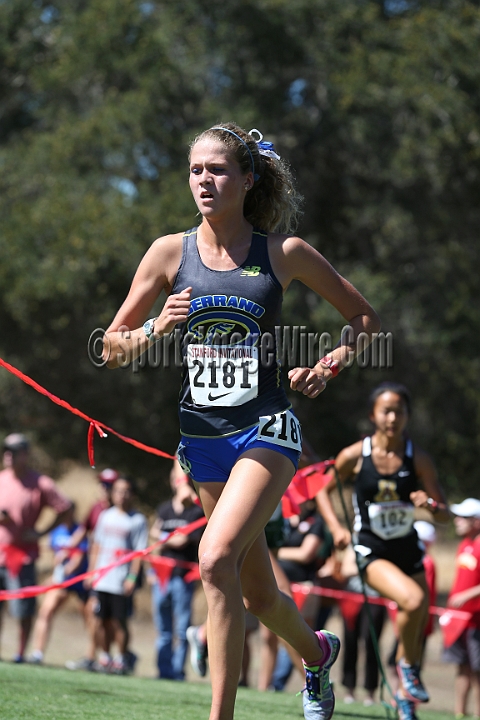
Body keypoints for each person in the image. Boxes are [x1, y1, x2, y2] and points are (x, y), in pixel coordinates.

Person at [102, 122, 380, 720]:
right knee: (255, 595)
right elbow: (112, 346)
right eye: (197, 170)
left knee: (212, 557)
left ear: (247, 179)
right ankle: (317, 654)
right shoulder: (167, 253)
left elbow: (362, 319)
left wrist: (328, 366)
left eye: (219, 169)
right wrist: (155, 329)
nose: (206, 180)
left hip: (267, 429)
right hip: (202, 441)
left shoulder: (283, 253)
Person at [316, 382, 449, 720]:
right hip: (370, 549)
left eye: (400, 411)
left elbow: (443, 513)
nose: (393, 417)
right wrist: (335, 528)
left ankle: (404, 700)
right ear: (373, 415)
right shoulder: (354, 455)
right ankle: (407, 666)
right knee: (414, 601)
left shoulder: (416, 457)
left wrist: (429, 504)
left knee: (414, 620)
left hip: (408, 550)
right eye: (386, 410)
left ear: (407, 415)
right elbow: (322, 490)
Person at [0, 433, 72, 662]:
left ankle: (20, 653)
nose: (8, 455)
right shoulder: (1, 478)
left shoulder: (40, 483)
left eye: (14, 451)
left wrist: (41, 532)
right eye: (6, 450)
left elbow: (66, 509)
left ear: (25, 454)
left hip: (22, 556)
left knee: (23, 609)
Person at [85, 476, 148, 675]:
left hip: (120, 579)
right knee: (100, 620)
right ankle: (105, 656)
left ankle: (122, 658)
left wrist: (132, 577)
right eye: (118, 491)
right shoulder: (105, 515)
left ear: (133, 495)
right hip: (102, 578)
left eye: (126, 491)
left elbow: (139, 553)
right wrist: (91, 572)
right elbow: (96, 545)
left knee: (119, 621)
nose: (122, 495)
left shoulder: (138, 520)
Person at [150, 461, 205, 680]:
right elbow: (153, 533)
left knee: (182, 629)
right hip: (160, 577)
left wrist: (164, 537)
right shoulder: (164, 509)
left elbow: (182, 541)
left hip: (183, 579)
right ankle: (163, 671)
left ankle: (177, 671)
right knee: (163, 630)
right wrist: (168, 538)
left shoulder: (196, 513)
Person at [65, 467, 120, 672]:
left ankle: (120, 655)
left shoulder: (120, 512)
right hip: (96, 570)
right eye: (102, 484)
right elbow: (84, 531)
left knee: (113, 620)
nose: (103, 489)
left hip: (115, 573)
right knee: (93, 614)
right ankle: (95, 655)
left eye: (108, 485)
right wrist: (67, 549)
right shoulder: (96, 508)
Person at [28, 502, 89, 664]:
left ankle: (93, 656)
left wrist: (67, 571)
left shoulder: (80, 530)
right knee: (45, 612)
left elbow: (79, 557)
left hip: (79, 580)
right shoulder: (56, 531)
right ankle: (37, 653)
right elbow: (54, 555)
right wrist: (55, 576)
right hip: (61, 581)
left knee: (90, 618)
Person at [442, 498, 480, 719]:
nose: (457, 521)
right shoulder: (464, 544)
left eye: (463, 517)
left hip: (476, 620)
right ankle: (459, 713)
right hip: (459, 620)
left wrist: (469, 594)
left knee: (478, 670)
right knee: (462, 666)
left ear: (476, 521)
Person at [339, 544, 386, 706]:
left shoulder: (383, 545)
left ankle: (370, 692)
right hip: (353, 598)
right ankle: (349, 689)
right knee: (350, 643)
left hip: (375, 599)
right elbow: (346, 569)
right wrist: (371, 569)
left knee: (371, 643)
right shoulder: (355, 545)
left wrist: (360, 568)